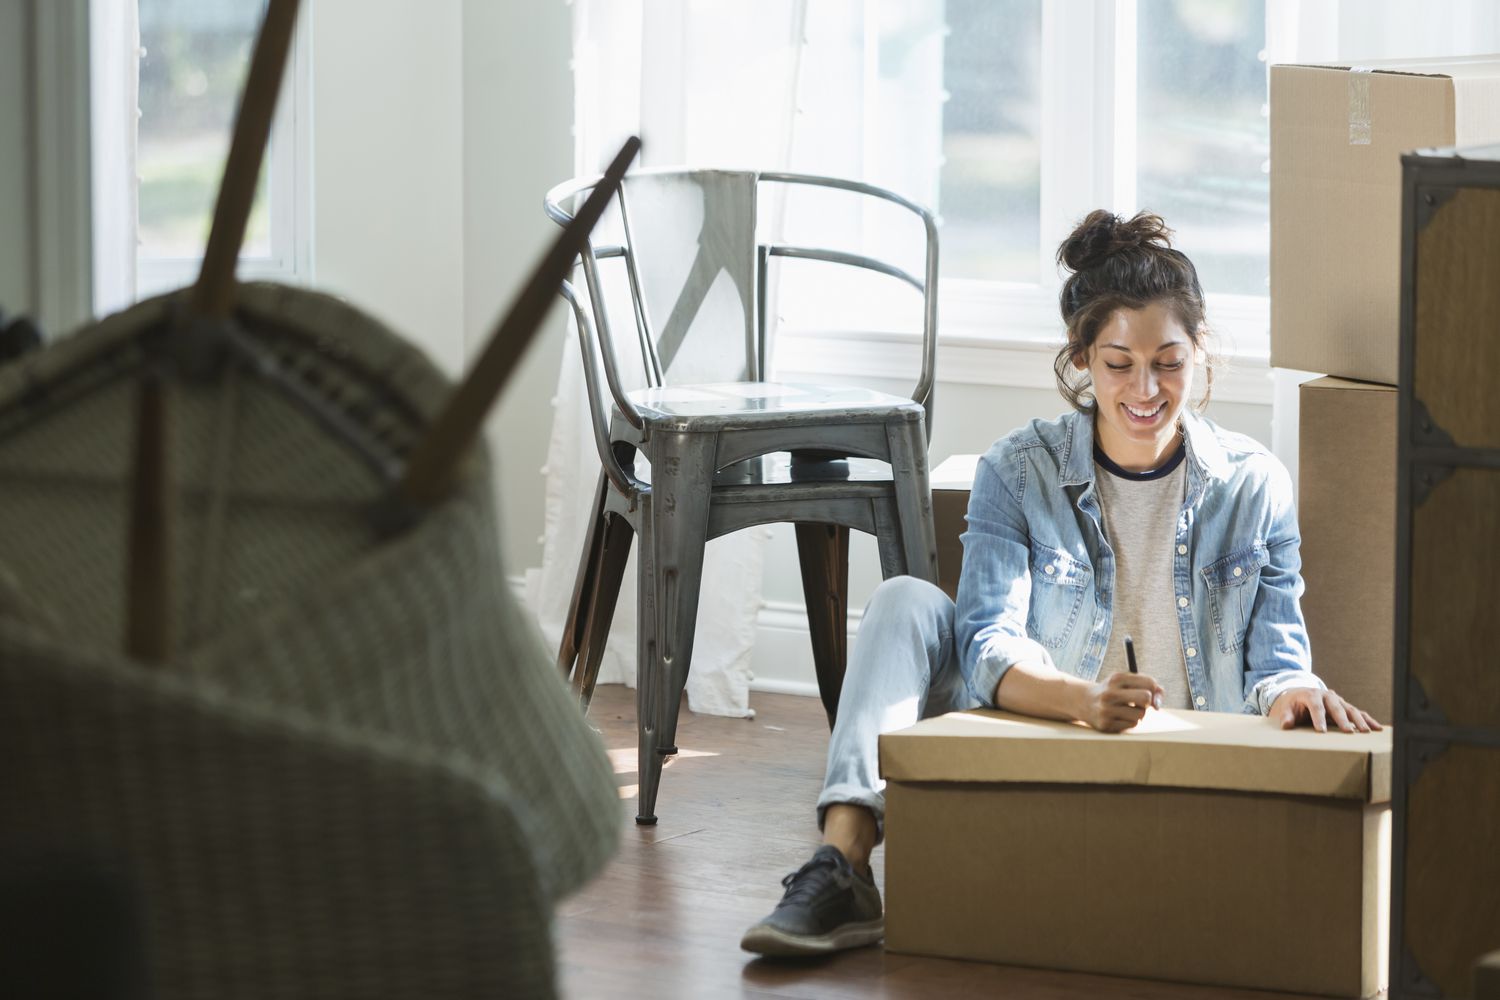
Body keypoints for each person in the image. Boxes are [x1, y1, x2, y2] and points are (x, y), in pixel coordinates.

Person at [739, 209, 1382, 959]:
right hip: (1044, 728)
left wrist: (1295, 689)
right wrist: (1086, 702)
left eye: (1168, 361)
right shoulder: (1018, 470)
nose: (1146, 388)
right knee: (905, 601)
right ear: (1081, 359)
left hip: (1186, 763)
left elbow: (1275, 661)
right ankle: (842, 866)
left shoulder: (1255, 485)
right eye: (1119, 363)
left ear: (1199, 351)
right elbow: (986, 644)